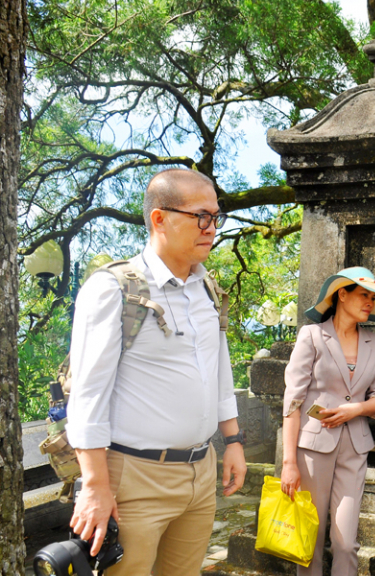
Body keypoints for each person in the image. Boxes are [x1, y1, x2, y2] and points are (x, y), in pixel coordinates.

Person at [66, 168, 247, 575]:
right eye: (200, 215)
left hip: (200, 472)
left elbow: (219, 373)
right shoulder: (114, 289)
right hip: (133, 477)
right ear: (159, 219)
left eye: (216, 216)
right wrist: (94, 486)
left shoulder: (207, 288)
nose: (211, 227)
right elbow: (88, 395)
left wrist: (233, 440)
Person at [280, 267, 375, 576]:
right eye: (364, 295)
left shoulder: (374, 343)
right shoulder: (311, 336)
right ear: (342, 294)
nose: (370, 302)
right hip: (311, 450)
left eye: (374, 297)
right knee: (308, 539)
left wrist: (355, 410)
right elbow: (293, 401)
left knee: (345, 541)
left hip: (355, 448)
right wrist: (289, 462)